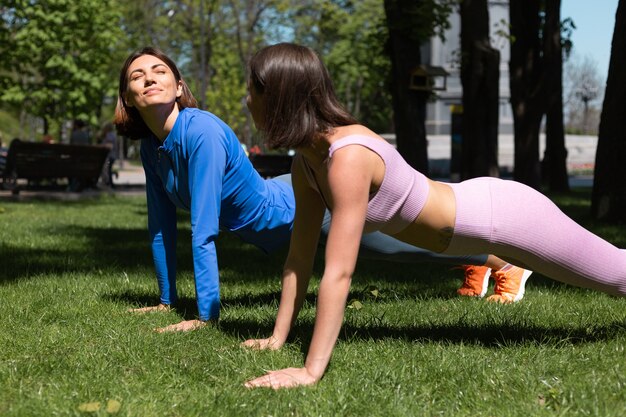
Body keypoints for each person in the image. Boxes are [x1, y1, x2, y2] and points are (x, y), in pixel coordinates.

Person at [241, 43, 626, 390]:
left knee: (619, 277)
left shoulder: (348, 158)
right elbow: (299, 258)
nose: (246, 101)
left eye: (253, 90)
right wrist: (278, 337)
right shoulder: (307, 165)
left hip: (505, 217)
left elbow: (339, 273)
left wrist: (310, 372)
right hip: (480, 218)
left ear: (280, 97)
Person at [113, 47, 526, 333]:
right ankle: (479, 263)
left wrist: (206, 316)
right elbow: (161, 226)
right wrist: (168, 300)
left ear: (180, 86)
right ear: (128, 98)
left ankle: (504, 263)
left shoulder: (199, 130)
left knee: (400, 244)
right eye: (137, 75)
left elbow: (202, 230)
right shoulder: (153, 147)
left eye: (159, 70)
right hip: (278, 209)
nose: (149, 78)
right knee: (398, 244)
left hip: (293, 210)